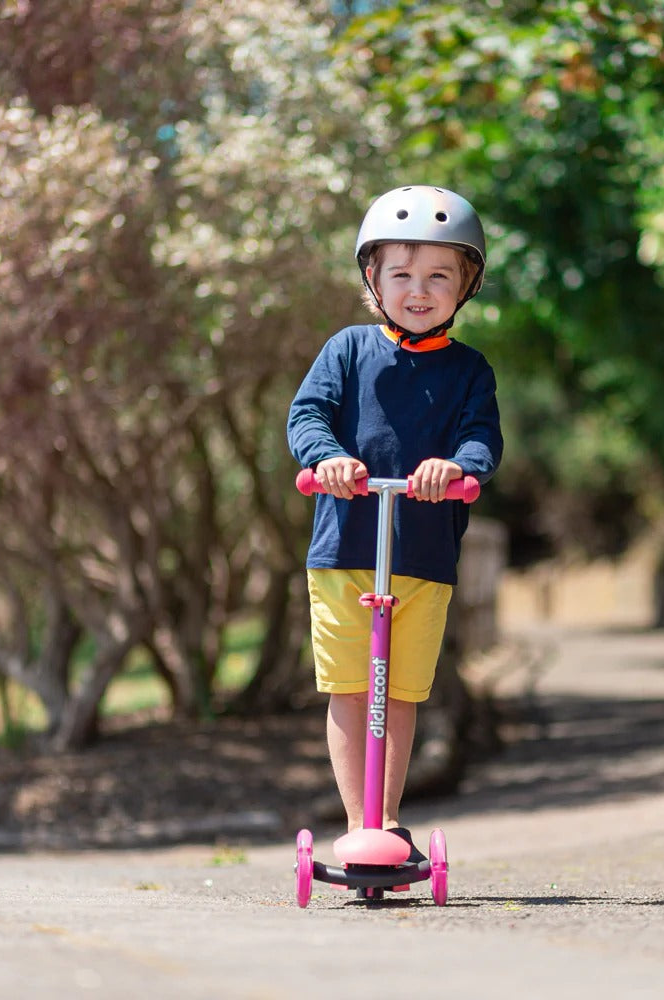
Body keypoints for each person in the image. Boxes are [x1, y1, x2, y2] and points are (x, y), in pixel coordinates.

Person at [287, 185, 502, 857]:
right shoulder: (347, 351)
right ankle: (359, 826)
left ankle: (388, 820)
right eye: (402, 273)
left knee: (399, 694)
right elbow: (307, 416)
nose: (419, 289)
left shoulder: (469, 370)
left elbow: (482, 441)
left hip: (424, 556)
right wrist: (327, 459)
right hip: (344, 547)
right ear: (372, 278)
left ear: (465, 286)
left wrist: (456, 468)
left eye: (439, 275)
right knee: (352, 689)